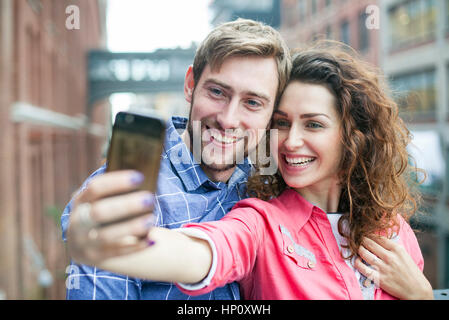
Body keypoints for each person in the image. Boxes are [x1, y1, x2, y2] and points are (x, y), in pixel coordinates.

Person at [68, 42, 434, 300]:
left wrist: (421, 294)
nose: (290, 142)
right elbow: (205, 251)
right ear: (191, 85)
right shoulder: (261, 219)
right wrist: (114, 243)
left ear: (353, 136)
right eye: (283, 123)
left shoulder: (392, 229)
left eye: (314, 125)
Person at [62, 18, 292, 300]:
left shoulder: (271, 182)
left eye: (253, 103)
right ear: (190, 85)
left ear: (272, 115)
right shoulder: (121, 199)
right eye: (217, 92)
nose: (228, 120)